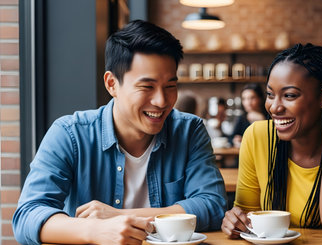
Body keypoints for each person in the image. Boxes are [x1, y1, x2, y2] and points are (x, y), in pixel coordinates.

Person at [13, 20, 227, 245]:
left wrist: (119, 216)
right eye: (147, 87)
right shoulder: (70, 134)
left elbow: (212, 205)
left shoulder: (189, 130)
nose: (162, 101)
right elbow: (27, 216)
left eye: (170, 86)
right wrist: (94, 231)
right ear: (111, 84)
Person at [221, 43, 322, 244]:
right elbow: (247, 217)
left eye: (289, 95)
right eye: (271, 94)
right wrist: (235, 221)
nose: (275, 107)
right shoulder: (257, 136)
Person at [231, 83, 267, 148]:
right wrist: (235, 140)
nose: (248, 103)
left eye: (252, 98)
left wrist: (262, 119)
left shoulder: (269, 117)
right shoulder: (242, 118)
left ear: (260, 99)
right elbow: (231, 138)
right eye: (244, 99)